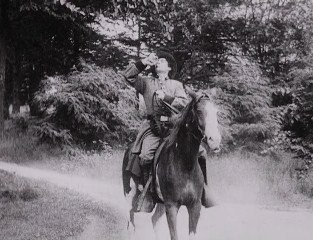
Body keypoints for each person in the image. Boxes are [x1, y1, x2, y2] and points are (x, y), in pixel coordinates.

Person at [121, 50, 214, 209]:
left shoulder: (177, 85)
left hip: (174, 128)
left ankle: (204, 190)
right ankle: (147, 191)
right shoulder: (146, 82)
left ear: (169, 68)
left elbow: (185, 104)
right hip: (153, 128)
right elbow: (128, 76)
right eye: (157, 60)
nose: (159, 62)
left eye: (162, 61)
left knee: (201, 153)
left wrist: (166, 97)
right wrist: (143, 62)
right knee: (145, 155)